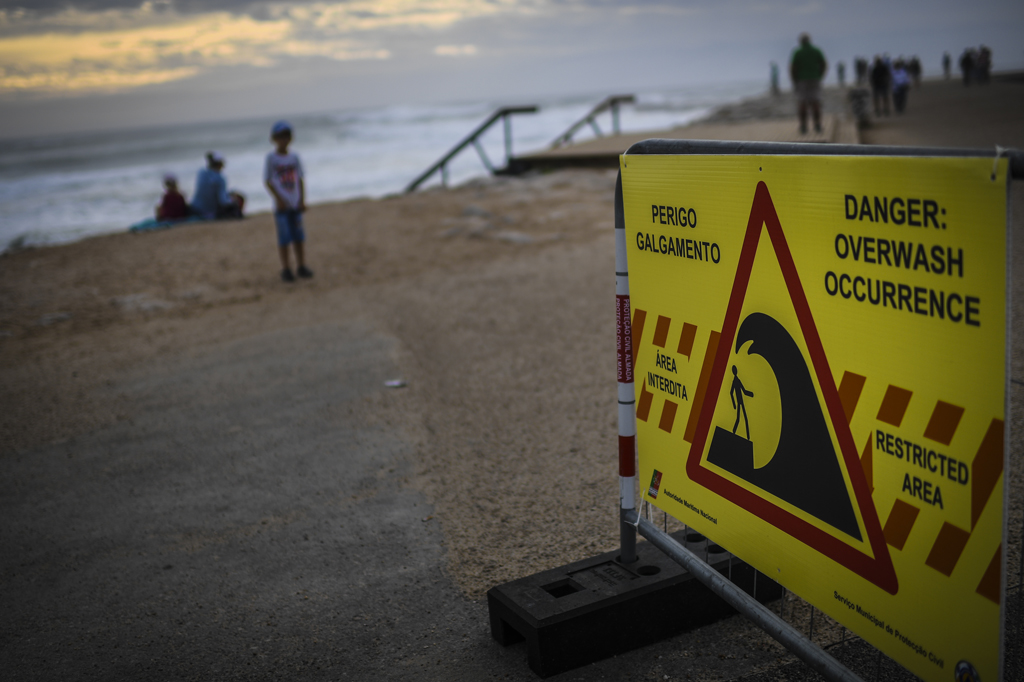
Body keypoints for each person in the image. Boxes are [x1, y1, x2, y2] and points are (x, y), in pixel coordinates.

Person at [264, 120, 312, 283]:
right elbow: (267, 180)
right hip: (282, 206)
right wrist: (278, 199)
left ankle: (301, 265)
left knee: (299, 237)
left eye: (286, 136)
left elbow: (300, 179)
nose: (283, 140)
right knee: (284, 238)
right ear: (274, 139)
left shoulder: (294, 157)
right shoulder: (271, 158)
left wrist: (302, 199)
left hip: (295, 202)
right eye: (280, 137)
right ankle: (286, 268)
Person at [789, 33, 827, 134]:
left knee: (802, 103)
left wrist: (794, 80)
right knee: (815, 102)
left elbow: (793, 68)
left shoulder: (797, 52)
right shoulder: (816, 50)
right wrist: (820, 75)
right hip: (815, 79)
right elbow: (824, 63)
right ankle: (817, 124)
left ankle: (803, 126)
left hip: (802, 80)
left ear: (800, 41)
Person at [191, 151, 243, 220]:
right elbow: (223, 201)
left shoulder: (201, 172)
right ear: (219, 164)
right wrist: (233, 200)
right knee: (237, 199)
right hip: (209, 212)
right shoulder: (220, 179)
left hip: (195, 208)